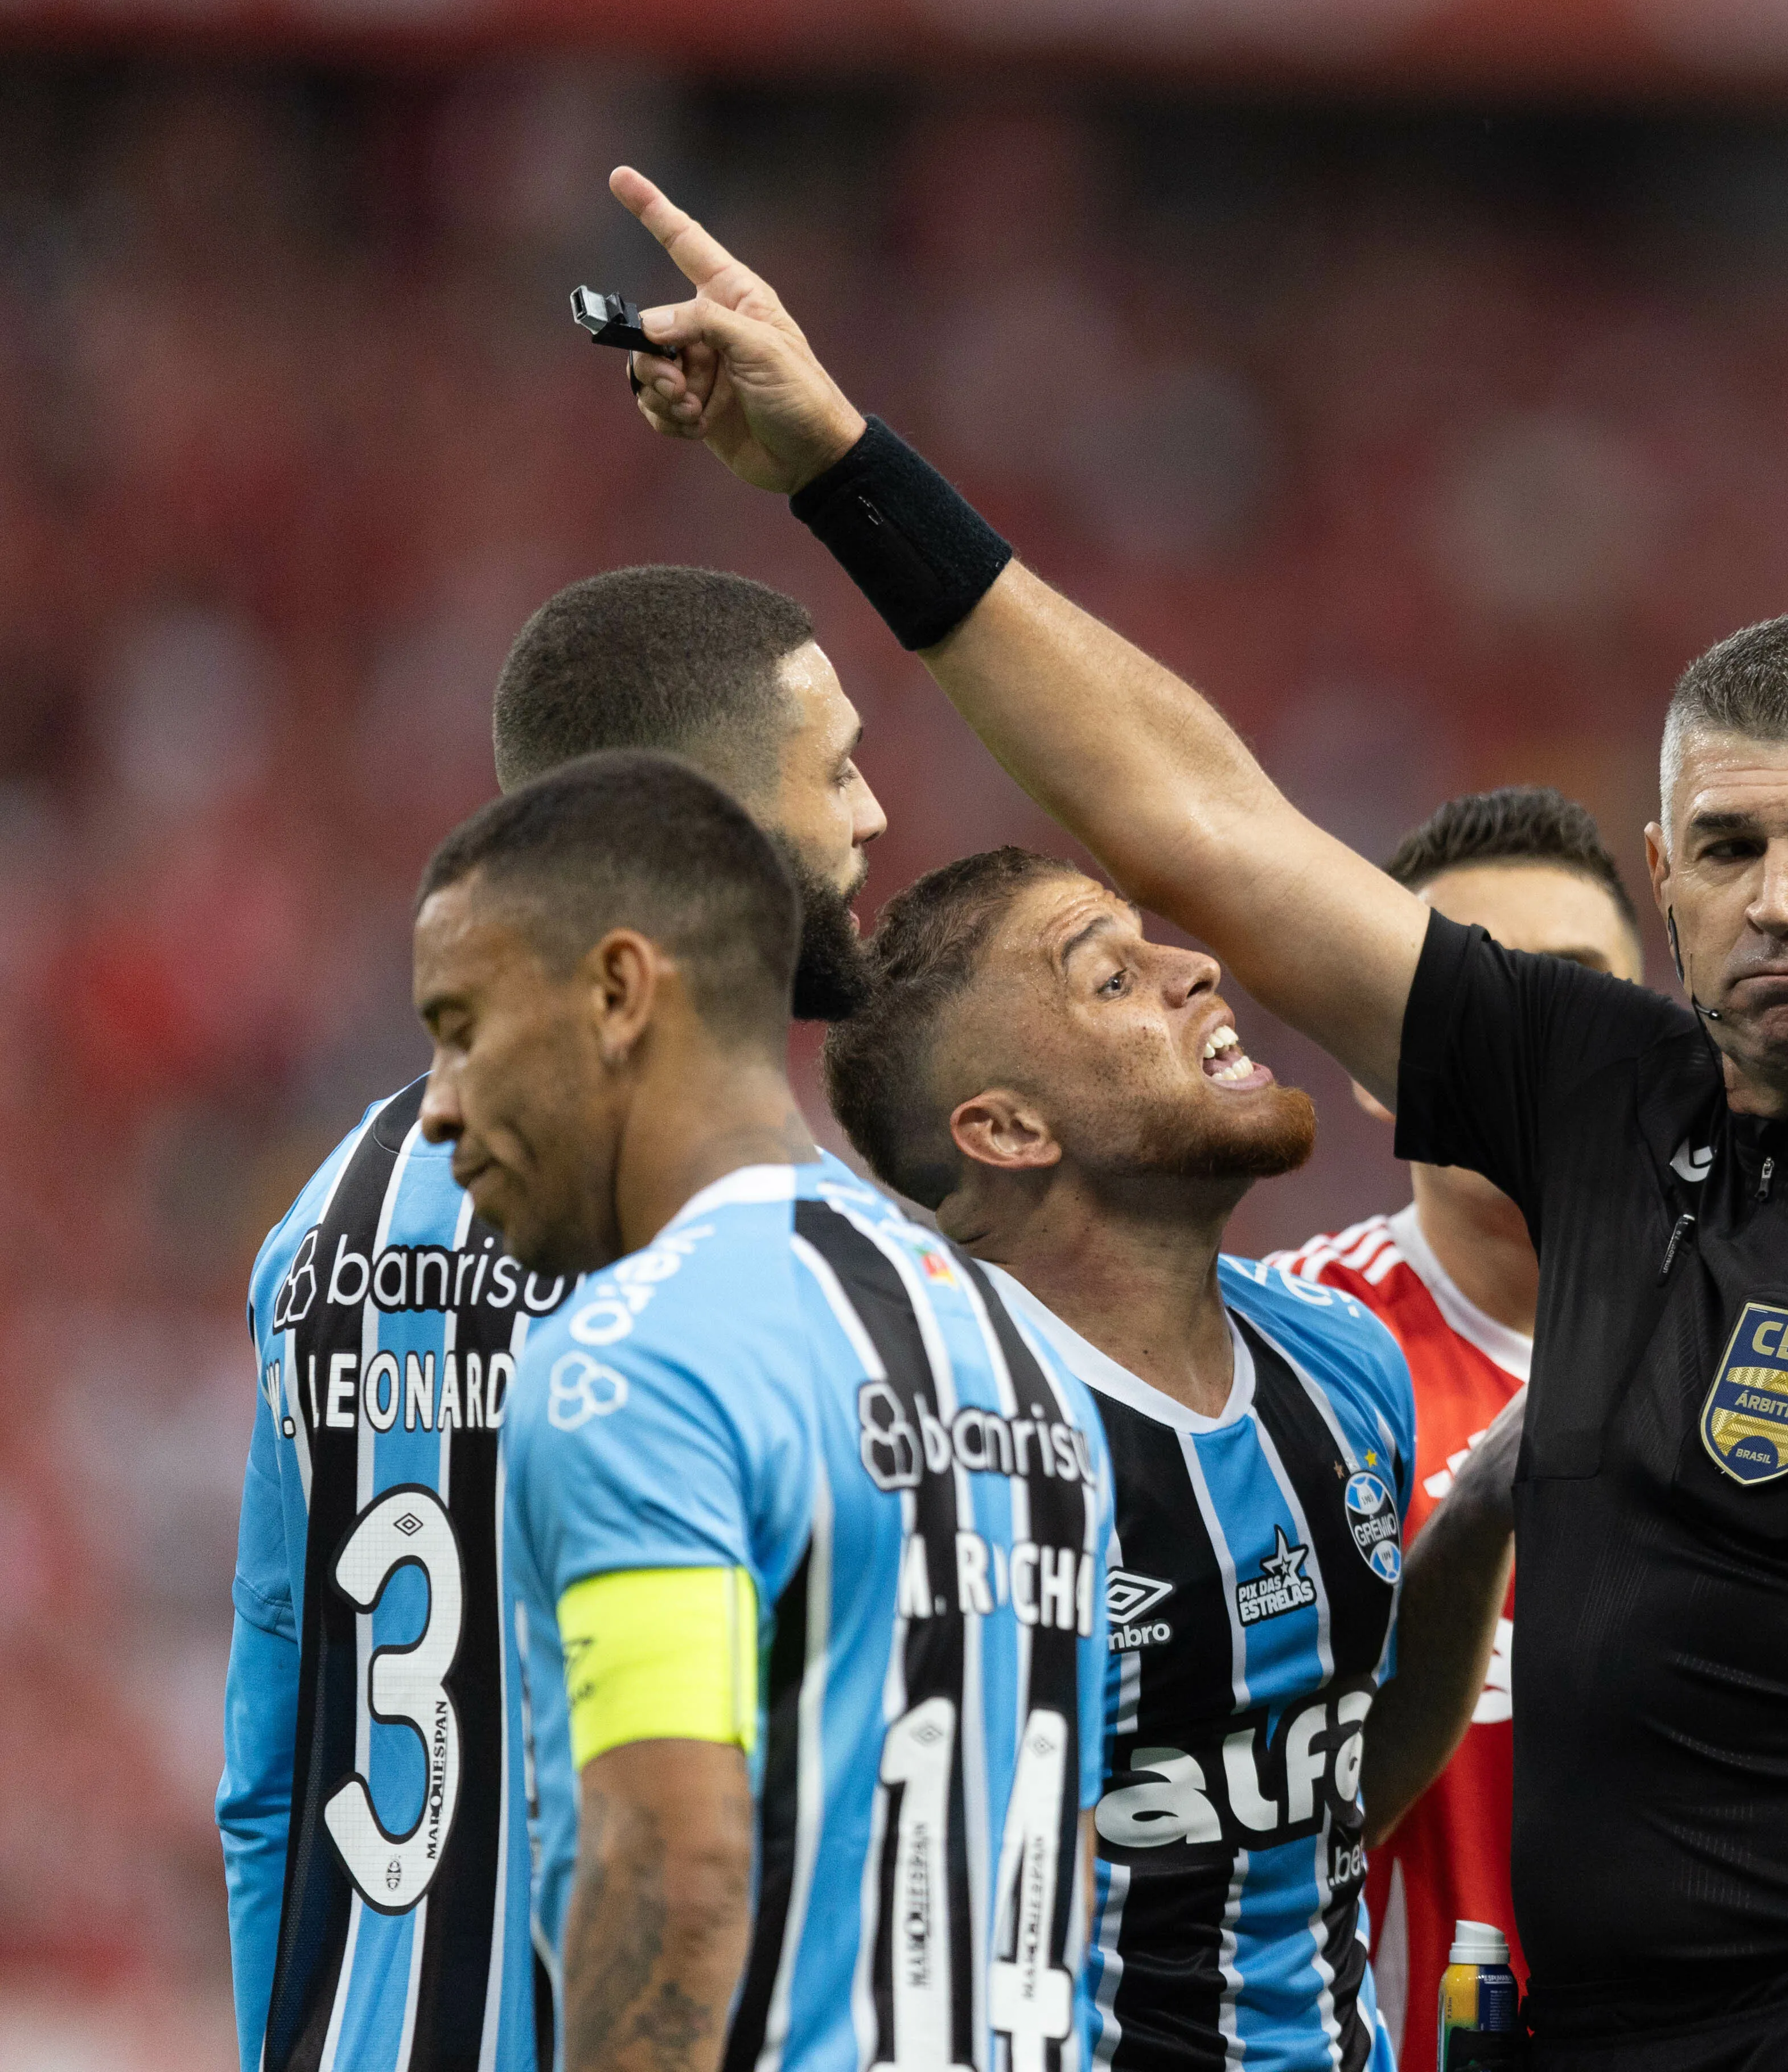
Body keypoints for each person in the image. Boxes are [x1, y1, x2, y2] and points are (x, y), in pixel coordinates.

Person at [605, 168, 1788, 2072]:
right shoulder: (1610, 1096)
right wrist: (838, 463)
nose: (1782, 897)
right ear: (1663, 872)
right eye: (1729, 848)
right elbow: (1192, 822)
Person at [219, 568, 886, 2072]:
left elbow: (270, 1775)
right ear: (694, 823)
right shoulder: (756, 1254)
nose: (873, 820)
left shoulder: (324, 1231)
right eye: (835, 770)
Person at [430, 753, 1107, 2072]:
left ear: (620, 992)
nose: (443, 1103)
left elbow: (669, 1864)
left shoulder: (642, 1361)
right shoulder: (1018, 1347)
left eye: (462, 1025)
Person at [823, 843, 1518, 2071]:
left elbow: (1337, 1776)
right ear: (1005, 1125)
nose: (1196, 969)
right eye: (1110, 977)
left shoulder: (1340, 1359)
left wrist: (1493, 1497)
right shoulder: (936, 1440)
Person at [1264, 787, 1647, 2049]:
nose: (1533, 1042)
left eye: (1577, 990)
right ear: (1383, 1073)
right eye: (1477, 1003)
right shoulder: (1276, 1368)